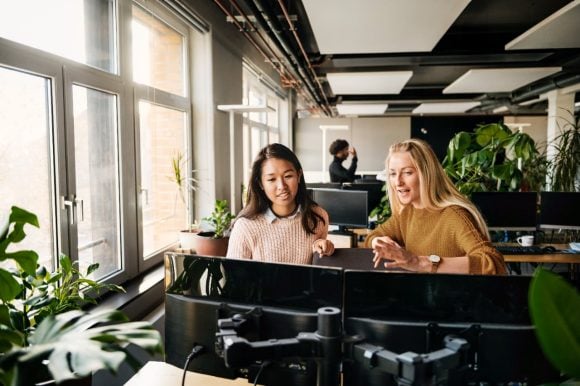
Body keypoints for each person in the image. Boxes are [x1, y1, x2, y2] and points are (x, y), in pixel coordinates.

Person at [364, 139, 506, 275]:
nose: (398, 182)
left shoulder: (454, 215)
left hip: (453, 298)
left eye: (407, 172)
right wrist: (381, 243)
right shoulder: (407, 213)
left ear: (426, 174)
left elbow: (493, 263)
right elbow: (372, 237)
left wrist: (421, 262)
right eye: (393, 174)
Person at [227, 143, 335, 264]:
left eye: (288, 176)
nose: (282, 186)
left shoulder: (318, 217)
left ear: (298, 176)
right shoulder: (245, 226)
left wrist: (321, 247)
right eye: (271, 179)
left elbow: (315, 265)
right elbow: (234, 277)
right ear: (261, 184)